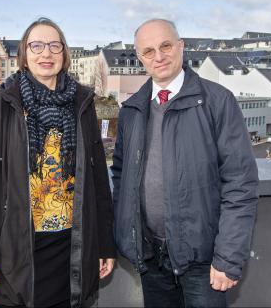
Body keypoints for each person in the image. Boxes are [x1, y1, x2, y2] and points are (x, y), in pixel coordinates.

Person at [0, 17, 117, 307]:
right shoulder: (2, 106)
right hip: (17, 252)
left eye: (54, 46)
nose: (46, 53)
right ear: (24, 54)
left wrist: (104, 243)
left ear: (65, 54)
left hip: (72, 249)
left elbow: (98, 182)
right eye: (37, 45)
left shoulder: (82, 105)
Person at [111, 19, 259, 307]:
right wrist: (126, 237)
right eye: (148, 51)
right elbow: (120, 176)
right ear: (140, 58)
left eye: (165, 46)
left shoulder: (217, 102)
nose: (159, 56)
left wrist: (228, 257)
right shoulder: (131, 110)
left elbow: (240, 185)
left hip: (203, 261)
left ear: (181, 46)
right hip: (152, 257)